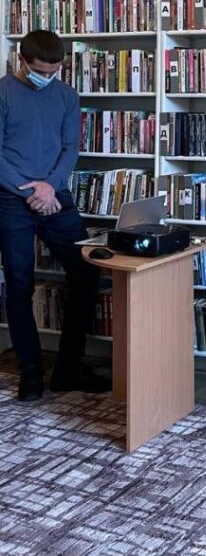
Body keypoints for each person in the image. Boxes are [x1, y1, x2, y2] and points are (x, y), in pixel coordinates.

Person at [0, 29, 109, 400]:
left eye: (53, 71)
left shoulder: (67, 96)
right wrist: (30, 191)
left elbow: (70, 148)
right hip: (12, 199)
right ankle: (30, 376)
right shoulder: (3, 92)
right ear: (22, 61)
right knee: (19, 284)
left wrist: (49, 186)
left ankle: (68, 370)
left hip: (55, 196)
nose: (46, 77)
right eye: (39, 71)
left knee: (87, 269)